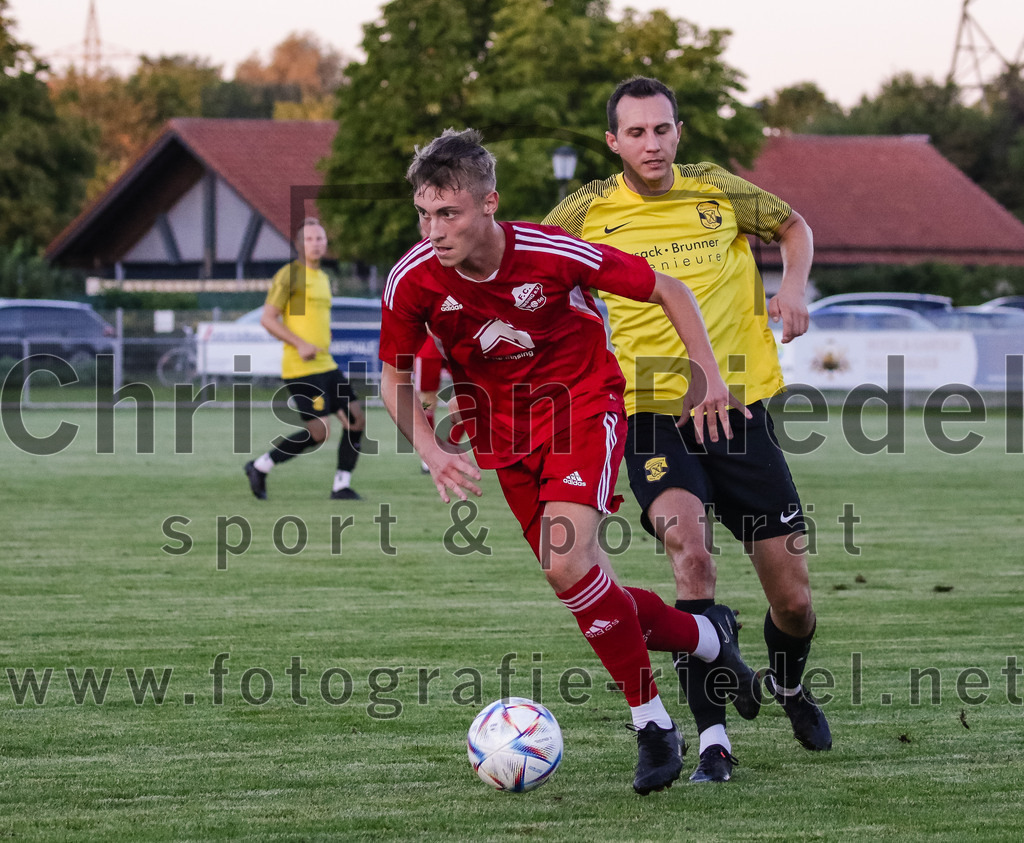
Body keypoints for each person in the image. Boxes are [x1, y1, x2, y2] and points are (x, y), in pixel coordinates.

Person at [379, 127, 761, 795]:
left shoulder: (551, 252)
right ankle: (708, 637)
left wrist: (707, 374)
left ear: (489, 204)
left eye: (448, 213)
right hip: (502, 439)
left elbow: (669, 288)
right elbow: (393, 377)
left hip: (582, 408)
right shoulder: (412, 278)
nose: (433, 230)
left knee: (565, 562)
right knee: (580, 582)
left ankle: (652, 725)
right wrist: (430, 448)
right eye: (424, 213)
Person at [544, 76, 831, 783]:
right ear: (613, 141)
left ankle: (789, 685)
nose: (652, 143)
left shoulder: (717, 191)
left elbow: (795, 226)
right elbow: (532, 268)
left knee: (794, 601)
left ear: (679, 132)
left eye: (662, 129)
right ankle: (712, 742)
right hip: (649, 415)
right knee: (690, 553)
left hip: (738, 412)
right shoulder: (586, 210)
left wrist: (793, 286)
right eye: (636, 132)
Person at [244, 218, 365, 501]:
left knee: (356, 419)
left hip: (327, 364)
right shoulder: (289, 276)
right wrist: (299, 343)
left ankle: (341, 486)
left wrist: (323, 335)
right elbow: (268, 319)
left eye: (320, 238)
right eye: (309, 239)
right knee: (319, 432)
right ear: (299, 245)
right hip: (301, 369)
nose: (315, 244)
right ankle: (260, 466)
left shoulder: (323, 278)